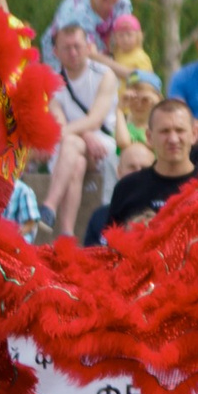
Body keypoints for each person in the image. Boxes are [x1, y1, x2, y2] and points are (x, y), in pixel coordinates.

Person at [41, 21, 120, 242]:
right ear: (56, 52)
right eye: (67, 48)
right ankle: (66, 232)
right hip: (72, 147)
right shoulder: (54, 82)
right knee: (76, 161)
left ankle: (50, 205)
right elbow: (58, 123)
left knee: (71, 145)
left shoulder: (105, 74)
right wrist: (82, 135)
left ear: (88, 46)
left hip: (102, 142)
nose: (73, 52)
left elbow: (95, 120)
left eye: (77, 46)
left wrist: (81, 134)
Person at [92, 97, 198, 235]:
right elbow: (110, 248)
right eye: (164, 131)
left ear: (194, 134)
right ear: (149, 136)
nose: (173, 139)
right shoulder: (127, 187)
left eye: (180, 130)